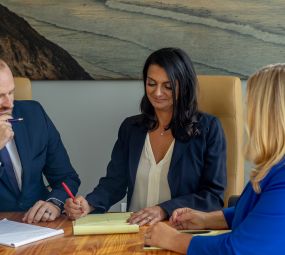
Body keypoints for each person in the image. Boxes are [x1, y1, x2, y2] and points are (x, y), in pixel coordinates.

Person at [144, 63, 285, 255]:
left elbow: (240, 251)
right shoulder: (275, 166)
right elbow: (252, 212)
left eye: (252, 105)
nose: (248, 114)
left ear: (270, 114)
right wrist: (206, 219)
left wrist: (174, 240)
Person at [65, 47, 226, 225]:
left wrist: (164, 209)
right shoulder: (131, 128)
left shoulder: (209, 129)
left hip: (179, 231)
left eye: (168, 86)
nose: (157, 93)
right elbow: (114, 182)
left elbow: (212, 197)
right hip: (133, 229)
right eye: (151, 83)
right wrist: (89, 204)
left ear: (184, 86)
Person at [0, 59, 80, 223]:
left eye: (11, 92)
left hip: (38, 226)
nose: (9, 104)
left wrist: (54, 203)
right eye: (0, 96)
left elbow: (66, 177)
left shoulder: (34, 114)